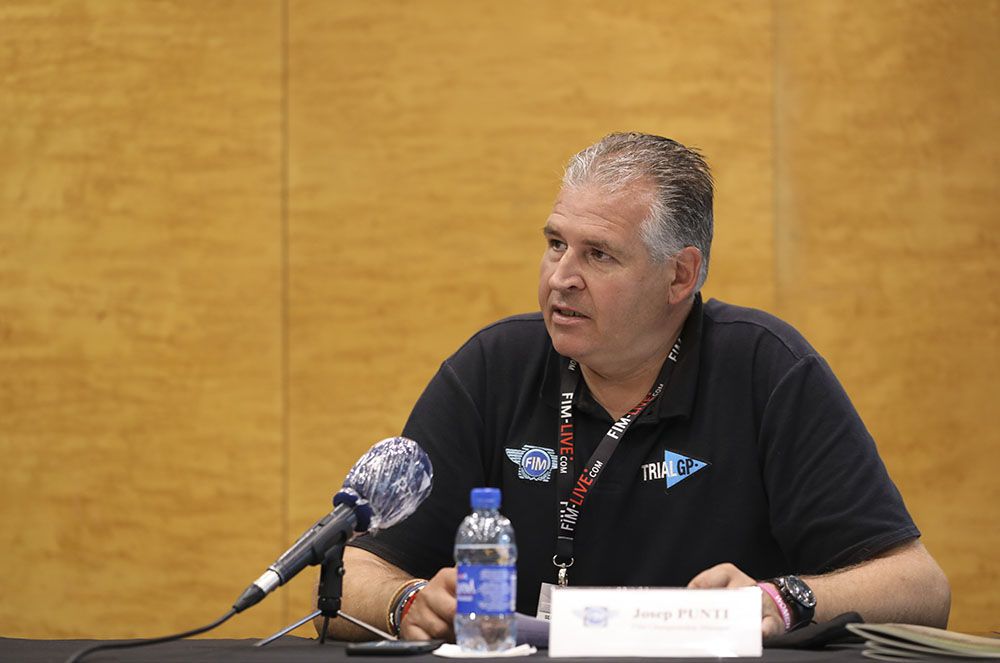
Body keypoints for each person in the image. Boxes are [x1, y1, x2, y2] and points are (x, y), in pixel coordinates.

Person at [320, 132, 951, 642]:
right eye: (556, 244)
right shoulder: (492, 368)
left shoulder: (766, 370)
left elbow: (921, 587)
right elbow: (351, 574)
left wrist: (784, 600)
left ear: (680, 276)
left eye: (599, 255)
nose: (561, 278)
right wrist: (405, 604)